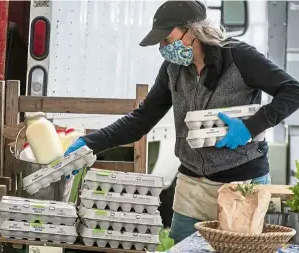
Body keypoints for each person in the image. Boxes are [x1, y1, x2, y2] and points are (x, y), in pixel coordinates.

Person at [65, 0, 299, 244]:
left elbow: (292, 90)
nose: (164, 47)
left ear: (194, 30)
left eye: (167, 39)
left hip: (241, 184)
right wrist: (88, 143)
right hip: (192, 185)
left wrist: (250, 127)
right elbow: (141, 120)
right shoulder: (172, 69)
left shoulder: (240, 57)